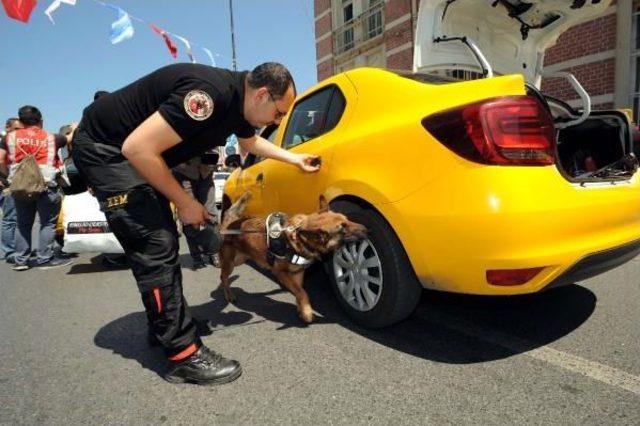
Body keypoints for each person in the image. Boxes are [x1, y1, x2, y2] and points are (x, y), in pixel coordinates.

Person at [71, 62, 320, 385]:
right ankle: (181, 355)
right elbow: (137, 148)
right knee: (155, 244)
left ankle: (166, 326)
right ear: (262, 95)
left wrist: (295, 158)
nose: (279, 120)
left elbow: (249, 143)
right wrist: (185, 203)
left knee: (164, 240)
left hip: (130, 152)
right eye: (279, 114)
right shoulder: (209, 95)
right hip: (108, 152)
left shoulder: (238, 106)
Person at [0, 106, 73, 271]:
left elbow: (0, 160)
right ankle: (44, 258)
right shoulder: (52, 137)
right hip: (46, 186)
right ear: (41, 120)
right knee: (47, 223)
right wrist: (73, 129)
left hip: (20, 187)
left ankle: (21, 260)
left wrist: (11, 178)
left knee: (22, 223)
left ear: (21, 121)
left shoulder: (9, 138)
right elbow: (68, 140)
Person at [173, 152, 221, 270]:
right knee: (190, 217)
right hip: (183, 171)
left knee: (211, 214)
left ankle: (214, 251)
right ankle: (196, 257)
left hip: (205, 170)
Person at [0, 117, 22, 263]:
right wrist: (5, 178)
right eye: (16, 130)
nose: (19, 133)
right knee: (10, 219)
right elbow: (1, 160)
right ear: (8, 127)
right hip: (6, 185)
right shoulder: (5, 141)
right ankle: (9, 251)